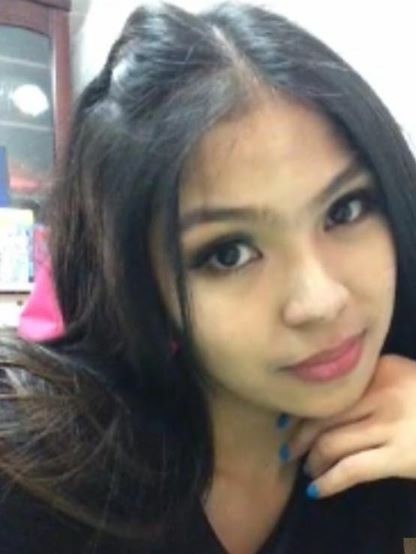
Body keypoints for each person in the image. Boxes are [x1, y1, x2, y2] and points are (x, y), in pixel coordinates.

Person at [1, 2, 416, 553]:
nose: (320, 300)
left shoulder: (394, 430)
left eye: (345, 210)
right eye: (229, 253)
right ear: (140, 280)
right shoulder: (39, 481)